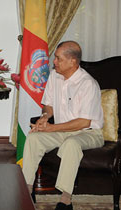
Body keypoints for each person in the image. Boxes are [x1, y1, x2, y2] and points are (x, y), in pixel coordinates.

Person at [22, 41, 104, 210]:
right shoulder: (54, 76)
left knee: (71, 144)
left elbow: (84, 122)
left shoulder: (88, 84)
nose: (54, 62)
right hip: (63, 130)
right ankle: (27, 190)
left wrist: (51, 128)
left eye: (58, 59)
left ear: (73, 61)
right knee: (34, 138)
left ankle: (66, 199)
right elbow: (48, 105)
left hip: (89, 133)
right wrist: (45, 117)